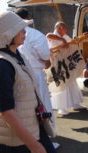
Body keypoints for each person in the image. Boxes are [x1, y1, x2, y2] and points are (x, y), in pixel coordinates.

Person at [0, 11, 56, 153]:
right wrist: (34, 146)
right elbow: (6, 111)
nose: (24, 31)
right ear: (9, 35)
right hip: (16, 141)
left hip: (30, 128)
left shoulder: (16, 55)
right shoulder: (1, 65)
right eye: (20, 29)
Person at [15, 8, 59, 149]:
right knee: (42, 106)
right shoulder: (36, 35)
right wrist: (46, 61)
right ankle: (46, 138)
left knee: (25, 107)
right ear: (28, 17)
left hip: (19, 74)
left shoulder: (11, 35)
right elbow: (46, 57)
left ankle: (28, 137)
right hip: (36, 74)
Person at [47, 21, 86, 117]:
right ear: (59, 28)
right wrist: (62, 40)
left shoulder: (65, 36)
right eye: (64, 28)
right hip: (58, 64)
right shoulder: (54, 35)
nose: (66, 30)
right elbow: (48, 35)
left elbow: (72, 44)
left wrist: (80, 39)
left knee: (72, 82)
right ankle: (61, 108)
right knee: (61, 84)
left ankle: (75, 103)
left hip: (67, 63)